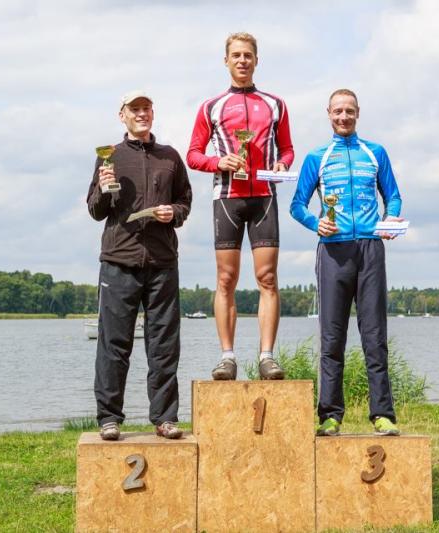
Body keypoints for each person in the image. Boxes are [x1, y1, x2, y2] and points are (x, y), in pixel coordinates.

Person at [290, 89, 404, 436]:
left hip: (370, 249)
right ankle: (330, 415)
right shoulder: (317, 157)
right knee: (332, 337)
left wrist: (390, 219)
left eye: (349, 111)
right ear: (328, 113)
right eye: (338, 111)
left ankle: (382, 414)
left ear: (358, 113)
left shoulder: (375, 152)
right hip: (333, 251)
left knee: (375, 336)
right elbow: (297, 205)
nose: (343, 117)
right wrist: (316, 223)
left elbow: (393, 196)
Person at [187, 32, 294, 381]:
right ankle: (227, 357)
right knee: (225, 279)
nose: (242, 60)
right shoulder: (211, 106)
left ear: (256, 60)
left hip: (264, 197)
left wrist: (282, 164)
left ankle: (267, 357)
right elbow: (193, 154)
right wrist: (218, 162)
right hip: (227, 198)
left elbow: (288, 149)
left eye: (248, 55)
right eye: (236, 55)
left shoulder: (275, 104)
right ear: (226, 61)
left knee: (267, 278)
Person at [87, 90, 193, 440]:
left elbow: (185, 201)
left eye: (146, 108)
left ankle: (165, 418)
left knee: (164, 345)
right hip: (119, 260)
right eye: (135, 109)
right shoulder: (109, 156)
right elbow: (95, 210)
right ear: (123, 115)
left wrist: (173, 212)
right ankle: (109, 418)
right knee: (114, 344)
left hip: (162, 262)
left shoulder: (170, 156)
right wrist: (104, 189)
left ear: (153, 113)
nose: (141, 113)